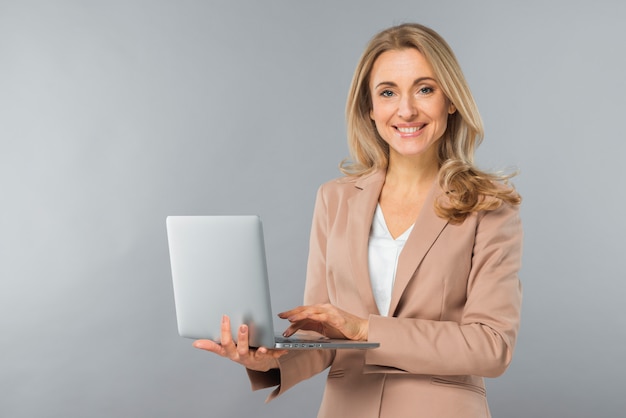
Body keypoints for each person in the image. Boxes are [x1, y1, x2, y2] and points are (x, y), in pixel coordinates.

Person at [193, 22, 523, 418]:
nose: (406, 110)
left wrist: (365, 329)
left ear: (450, 99)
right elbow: (326, 338)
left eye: (425, 89)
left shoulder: (487, 207)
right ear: (370, 107)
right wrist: (268, 362)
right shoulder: (334, 199)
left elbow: (491, 346)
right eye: (388, 92)